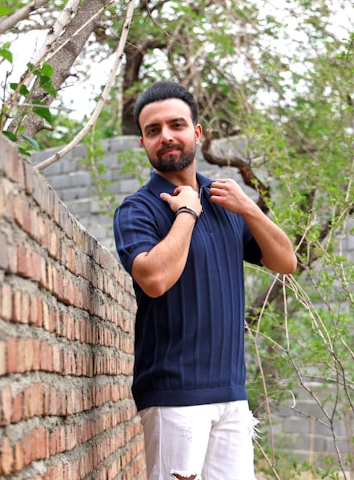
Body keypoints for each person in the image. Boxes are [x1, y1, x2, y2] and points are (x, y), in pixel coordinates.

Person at [113, 81, 298, 480]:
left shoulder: (227, 204)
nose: (166, 137)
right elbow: (155, 280)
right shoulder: (136, 211)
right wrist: (186, 213)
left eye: (176, 125)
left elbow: (286, 262)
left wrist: (248, 207)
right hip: (174, 398)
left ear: (197, 133)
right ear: (144, 144)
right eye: (153, 130)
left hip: (231, 395)